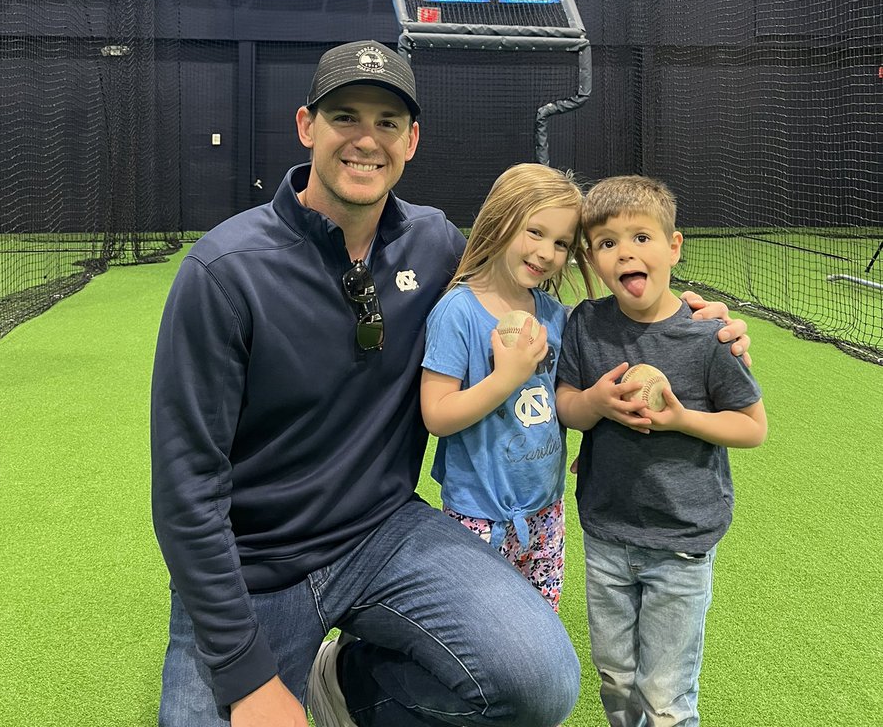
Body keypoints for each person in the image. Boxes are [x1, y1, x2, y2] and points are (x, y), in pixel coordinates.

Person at [150, 40, 753, 727]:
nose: (365, 140)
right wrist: (248, 679)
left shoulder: (433, 243)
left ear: (412, 140)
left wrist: (692, 320)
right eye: (345, 116)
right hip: (257, 560)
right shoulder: (224, 272)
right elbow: (185, 490)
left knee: (540, 682)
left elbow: (526, 278)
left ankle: (349, 680)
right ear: (305, 126)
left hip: (384, 532)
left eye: (386, 122)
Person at [556, 175, 767, 727]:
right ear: (592, 259)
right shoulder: (587, 326)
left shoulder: (706, 336)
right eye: (607, 243)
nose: (625, 251)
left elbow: (752, 427)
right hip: (606, 534)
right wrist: (596, 402)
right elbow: (565, 406)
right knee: (617, 679)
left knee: (666, 698)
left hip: (680, 541)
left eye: (642, 237)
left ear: (674, 246)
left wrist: (680, 419)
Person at [421, 163, 591, 611]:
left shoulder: (553, 314)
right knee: (475, 629)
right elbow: (437, 415)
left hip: (546, 509)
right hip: (477, 515)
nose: (547, 252)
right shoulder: (457, 312)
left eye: (561, 243)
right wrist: (506, 378)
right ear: (500, 219)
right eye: (534, 232)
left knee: (537, 624)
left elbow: (561, 403)